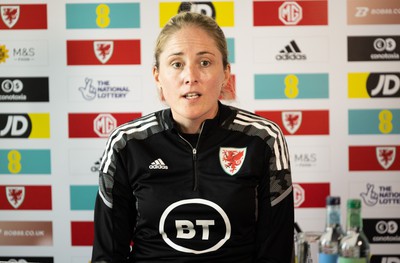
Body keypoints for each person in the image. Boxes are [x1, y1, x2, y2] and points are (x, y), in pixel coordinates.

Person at [91, 11, 294, 263]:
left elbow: (276, 254)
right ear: (157, 75)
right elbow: (108, 255)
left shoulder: (262, 139)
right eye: (177, 64)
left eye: (205, 63)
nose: (191, 77)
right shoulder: (127, 144)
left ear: (226, 73)